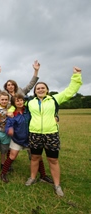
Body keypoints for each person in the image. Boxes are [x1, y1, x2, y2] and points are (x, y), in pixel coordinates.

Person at [25, 67, 82, 197]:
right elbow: (15, 103)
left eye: (42, 87)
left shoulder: (54, 99)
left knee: (53, 159)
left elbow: (70, 91)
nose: (40, 89)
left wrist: (76, 76)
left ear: (47, 90)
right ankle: (32, 178)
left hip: (51, 134)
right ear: (35, 91)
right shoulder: (30, 102)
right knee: (34, 157)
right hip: (34, 134)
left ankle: (57, 185)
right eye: (38, 88)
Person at [0, 93, 30, 182]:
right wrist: (9, 129)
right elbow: (8, 125)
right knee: (12, 156)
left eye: (21, 100)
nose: (20, 102)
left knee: (36, 157)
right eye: (17, 101)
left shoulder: (28, 111)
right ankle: (3, 174)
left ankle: (43, 175)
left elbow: (31, 99)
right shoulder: (12, 114)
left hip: (29, 138)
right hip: (17, 138)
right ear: (14, 103)